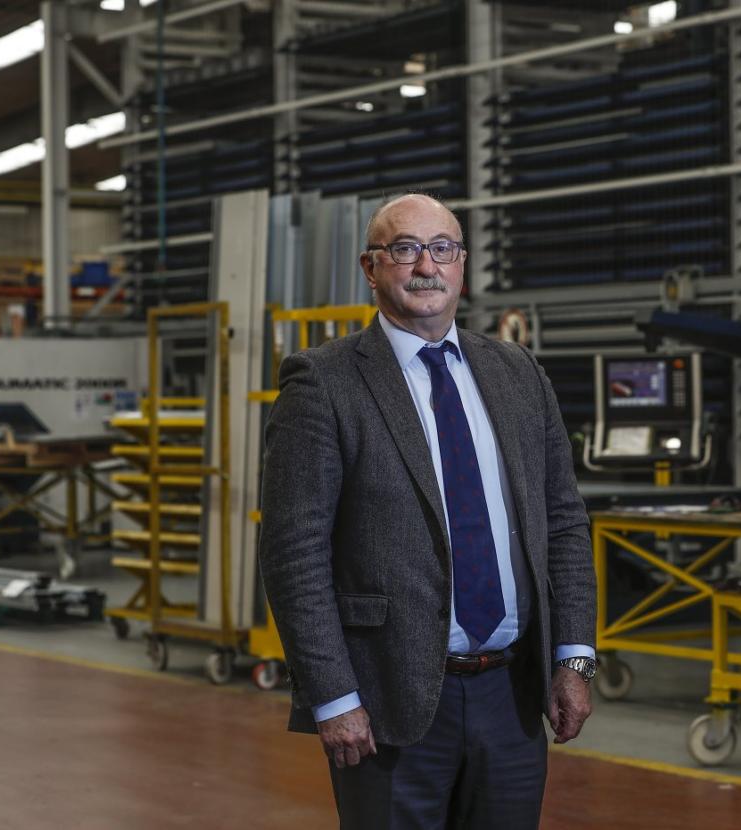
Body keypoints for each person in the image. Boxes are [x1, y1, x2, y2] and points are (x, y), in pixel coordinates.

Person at [258, 193, 597, 829]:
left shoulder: (518, 373)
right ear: (370, 266)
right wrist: (333, 697)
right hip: (387, 699)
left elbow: (565, 524)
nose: (425, 267)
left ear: (461, 264)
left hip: (512, 695)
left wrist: (573, 660)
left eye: (441, 249)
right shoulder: (323, 382)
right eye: (405, 250)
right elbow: (293, 552)